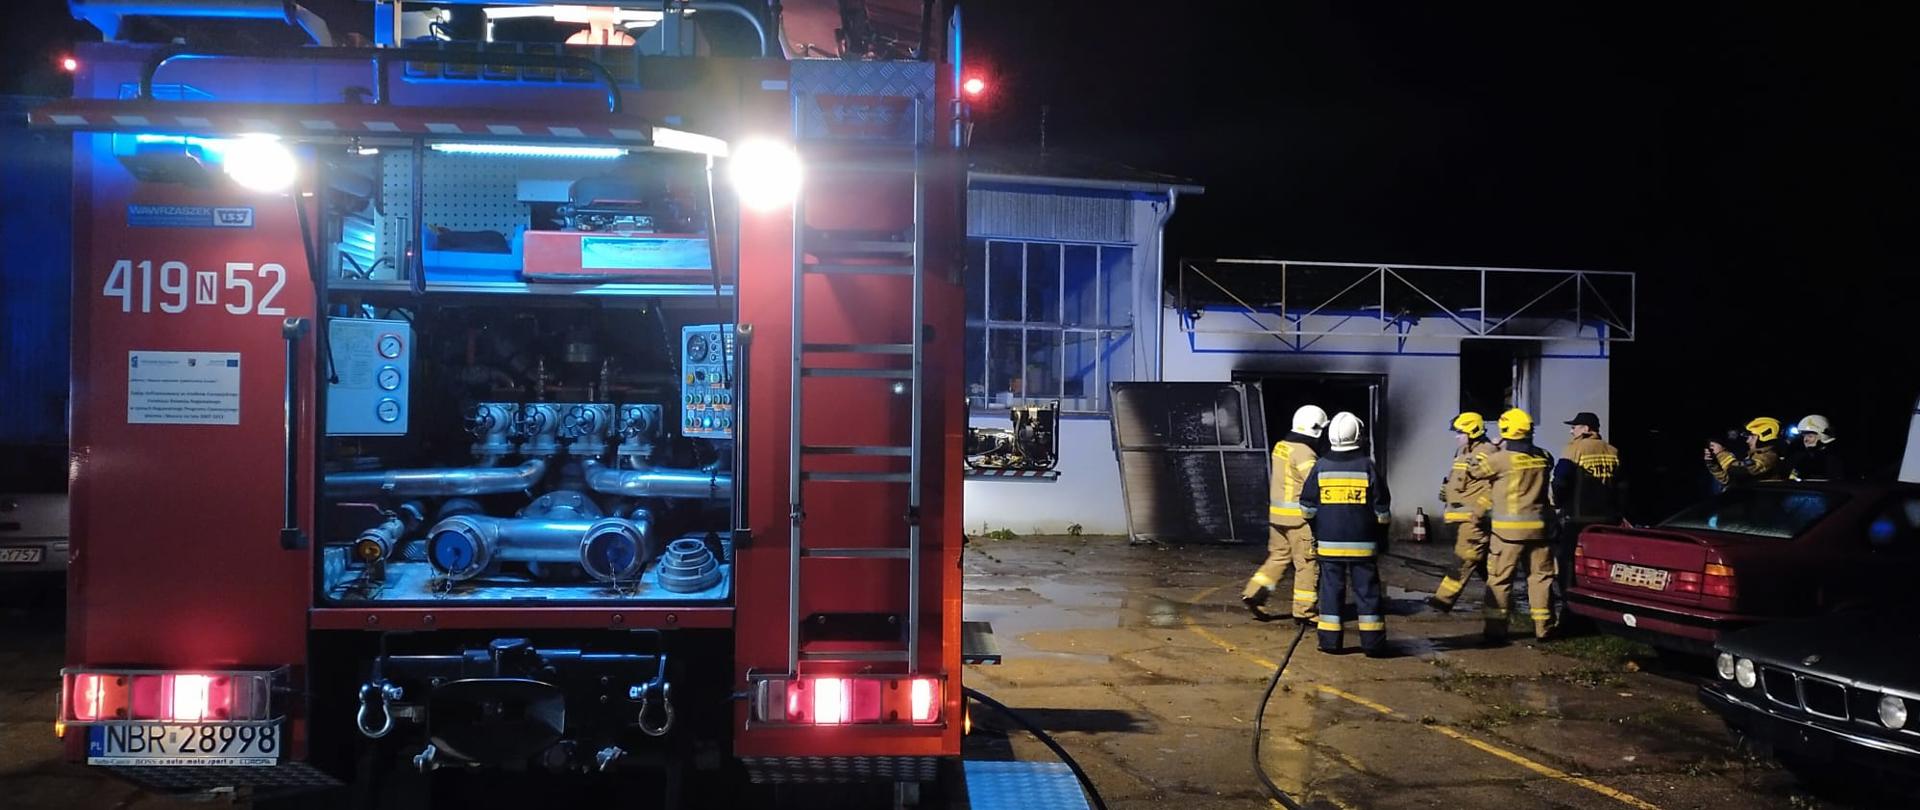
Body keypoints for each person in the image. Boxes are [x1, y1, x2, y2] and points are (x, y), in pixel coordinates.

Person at [1300, 411, 1392, 656]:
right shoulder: (1367, 466)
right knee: (1368, 594)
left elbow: (1307, 508)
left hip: (1329, 546)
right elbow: (1382, 509)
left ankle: (1330, 643)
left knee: (1330, 594)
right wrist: (1382, 537)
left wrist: (1318, 528)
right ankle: (1373, 645)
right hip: (1364, 546)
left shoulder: (1320, 467)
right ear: (1358, 436)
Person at [1469, 408, 1556, 643]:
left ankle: (1496, 631)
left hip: (1507, 534)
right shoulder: (1544, 457)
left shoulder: (1500, 460)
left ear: (1506, 430)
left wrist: (1491, 446)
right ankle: (1544, 628)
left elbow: (1474, 469)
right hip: (1539, 531)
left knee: (1499, 580)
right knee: (1540, 579)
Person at [1243, 405, 1328, 622]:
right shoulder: (1305, 453)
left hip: (1276, 517)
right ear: (1315, 429)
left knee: (1279, 557)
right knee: (1307, 564)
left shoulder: (1281, 446)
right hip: (1298, 520)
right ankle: (1304, 611)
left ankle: (1254, 593)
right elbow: (1314, 483)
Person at [1552, 411, 1622, 621]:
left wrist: (1559, 503)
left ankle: (1570, 606)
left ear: (1586, 429)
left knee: (1567, 561)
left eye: (1575, 426)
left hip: (1577, 518)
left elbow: (1560, 481)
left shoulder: (1574, 449)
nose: (1572, 430)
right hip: (1606, 520)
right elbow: (1621, 486)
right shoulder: (1612, 451)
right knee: (1599, 564)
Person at [1428, 412, 1494, 613]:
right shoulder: (1463, 451)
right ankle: (1500, 597)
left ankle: (1442, 601)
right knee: (1483, 564)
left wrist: (1481, 511)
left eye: (1459, 432)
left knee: (1463, 560)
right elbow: (1457, 479)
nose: (1456, 436)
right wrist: (1445, 492)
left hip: (1473, 519)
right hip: (1461, 518)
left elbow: (1492, 486)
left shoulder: (1487, 452)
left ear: (1472, 432)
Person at [1706, 417, 1790, 488]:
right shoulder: (1754, 456)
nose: (1747, 440)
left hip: (1764, 503)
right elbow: (1728, 480)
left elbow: (1736, 471)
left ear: (1763, 438)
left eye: (1752, 437)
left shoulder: (1769, 457)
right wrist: (1712, 463)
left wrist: (1721, 453)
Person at [1788, 414, 1847, 481]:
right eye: (1804, 436)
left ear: (1823, 436)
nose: (1805, 440)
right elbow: (1792, 481)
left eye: (1810, 436)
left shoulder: (1834, 461)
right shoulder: (1799, 459)